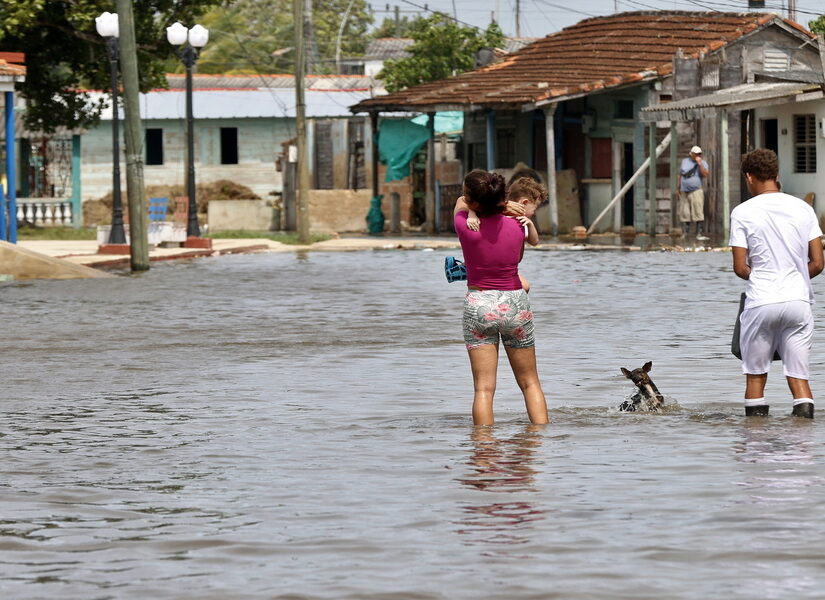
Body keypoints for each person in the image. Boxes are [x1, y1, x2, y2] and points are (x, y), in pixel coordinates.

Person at [729, 148, 824, 418]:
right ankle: (801, 450)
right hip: (798, 302)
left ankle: (757, 446)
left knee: (756, 378)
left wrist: (761, 275)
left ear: (749, 177)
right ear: (777, 175)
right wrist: (792, 275)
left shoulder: (742, 212)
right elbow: (818, 262)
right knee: (799, 379)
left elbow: (739, 267)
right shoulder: (803, 208)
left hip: (761, 302)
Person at [453, 169, 549, 426]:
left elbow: (460, 203)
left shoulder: (465, 224)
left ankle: (483, 451)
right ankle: (540, 443)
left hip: (479, 304)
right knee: (530, 384)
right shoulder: (518, 226)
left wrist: (479, 208)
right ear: (501, 198)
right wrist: (507, 207)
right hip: (515, 303)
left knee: (483, 390)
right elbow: (517, 259)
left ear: (475, 201)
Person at [457, 176, 546, 291]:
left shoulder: (522, 222)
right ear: (524, 202)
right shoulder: (499, 216)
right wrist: (472, 214)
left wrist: (530, 224)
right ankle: (466, 266)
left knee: (525, 287)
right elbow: (471, 203)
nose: (534, 214)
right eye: (534, 209)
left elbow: (534, 241)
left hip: (503, 268)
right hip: (487, 264)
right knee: (524, 286)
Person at [678, 145, 709, 239]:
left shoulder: (703, 163)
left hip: (696, 190)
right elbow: (680, 174)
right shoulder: (685, 162)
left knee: (698, 211)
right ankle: (685, 233)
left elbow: (705, 174)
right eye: (695, 154)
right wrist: (678, 187)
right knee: (684, 212)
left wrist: (699, 164)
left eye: (699, 154)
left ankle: (699, 233)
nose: (697, 155)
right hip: (684, 190)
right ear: (691, 154)